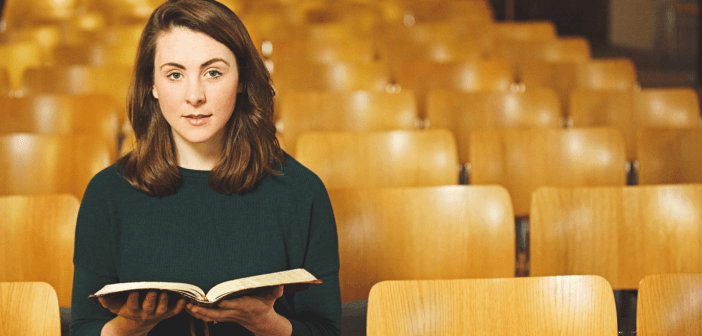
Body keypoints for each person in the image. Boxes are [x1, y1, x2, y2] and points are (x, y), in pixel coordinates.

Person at [70, 0, 341, 335]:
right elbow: (83, 328)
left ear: (241, 79)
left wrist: (266, 323)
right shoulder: (107, 193)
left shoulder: (302, 191)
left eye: (213, 72)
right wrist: (127, 327)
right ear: (152, 85)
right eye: (175, 74)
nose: (194, 95)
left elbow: (327, 330)